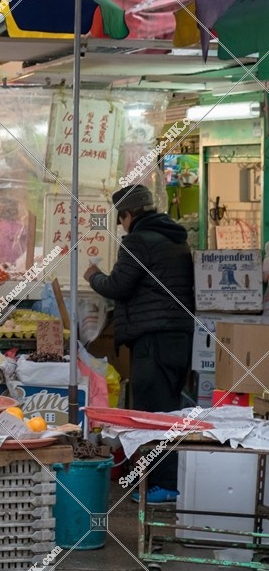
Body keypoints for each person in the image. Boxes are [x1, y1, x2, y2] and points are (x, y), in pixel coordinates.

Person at [85, 184, 194, 504]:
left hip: (153, 340)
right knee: (169, 410)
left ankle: (165, 486)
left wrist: (93, 275)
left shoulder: (137, 241)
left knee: (154, 415)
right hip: (179, 338)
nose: (121, 225)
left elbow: (118, 286)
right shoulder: (176, 238)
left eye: (121, 218)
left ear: (129, 214)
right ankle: (160, 482)